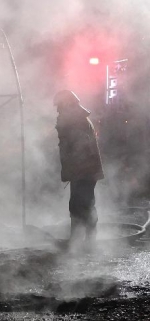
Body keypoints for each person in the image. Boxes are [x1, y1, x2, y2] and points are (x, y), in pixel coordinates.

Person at [53, 90, 104, 248]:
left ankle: (85, 241)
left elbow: (80, 150)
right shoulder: (76, 121)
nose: (58, 111)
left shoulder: (77, 122)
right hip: (83, 171)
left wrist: (76, 171)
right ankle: (81, 240)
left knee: (83, 204)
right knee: (79, 204)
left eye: (60, 107)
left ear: (68, 105)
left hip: (84, 171)